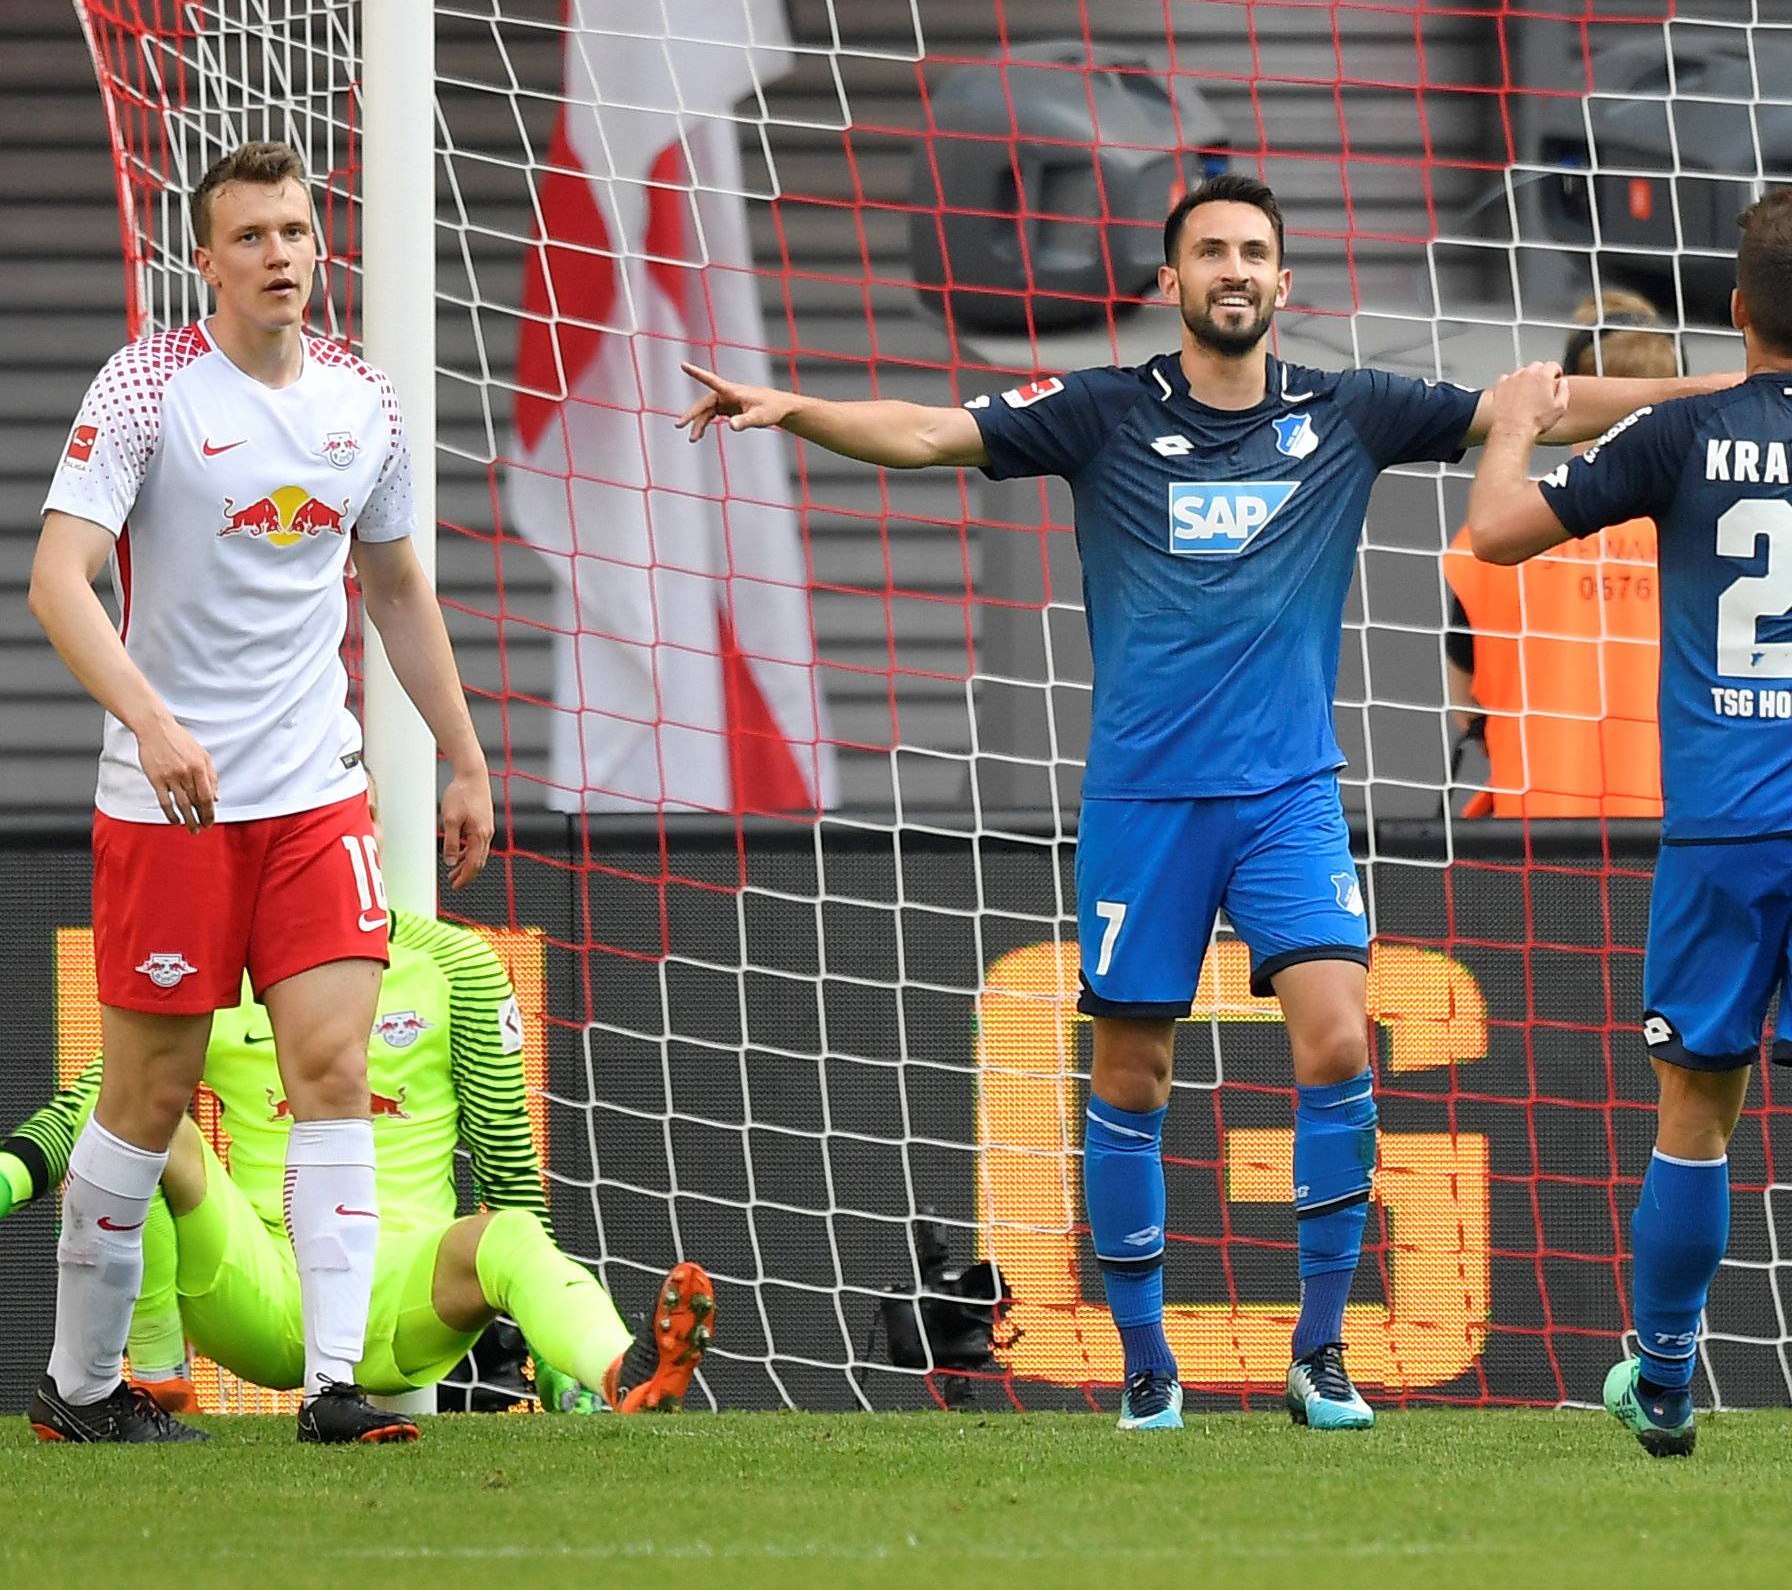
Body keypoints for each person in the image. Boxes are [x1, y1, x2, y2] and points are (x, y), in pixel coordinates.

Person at [678, 173, 1727, 1433]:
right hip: (1146, 800)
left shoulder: (1349, 411)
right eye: (1210, 252)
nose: (1234, 269)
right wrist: (794, 408)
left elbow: (1548, 408)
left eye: (1255, 253)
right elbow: (928, 432)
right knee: (1131, 1069)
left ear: (1286, 285)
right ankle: (1144, 1362)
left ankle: (1321, 1351)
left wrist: (1726, 395)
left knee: (1340, 1037)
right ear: (1168, 281)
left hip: (1289, 795)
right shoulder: (1103, 413)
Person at [25, 139, 495, 1444]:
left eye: (295, 230)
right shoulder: (146, 389)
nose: (281, 254)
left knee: (335, 1066)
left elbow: (397, 587)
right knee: (149, 1096)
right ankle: (77, 1385)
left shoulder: (365, 402)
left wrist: (460, 754)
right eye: (252, 236)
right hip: (169, 798)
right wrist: (152, 721)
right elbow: (59, 581)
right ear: (207, 259)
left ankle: (338, 1384)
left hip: (313, 787)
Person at [0, 881, 714, 1419]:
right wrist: (5, 1180)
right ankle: (159, 1385)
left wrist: (551, 1351)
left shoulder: (456, 966)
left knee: (504, 1235)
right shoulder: (213, 969)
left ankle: (623, 1375)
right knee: (157, 1129)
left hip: (402, 1296)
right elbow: (100, 1102)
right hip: (258, 1285)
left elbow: (512, 1182)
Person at [1464, 189, 1792, 1458]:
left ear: (1736, 310)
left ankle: (1661, 1375)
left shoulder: (1683, 432)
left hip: (1724, 826)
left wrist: (1515, 423)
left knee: (1696, 1110)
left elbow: (1496, 532)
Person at [1442, 290, 1677, 817]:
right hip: (1686, 834)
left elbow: (1467, 705)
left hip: (1538, 840)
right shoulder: (1708, 529)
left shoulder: (1500, 534)